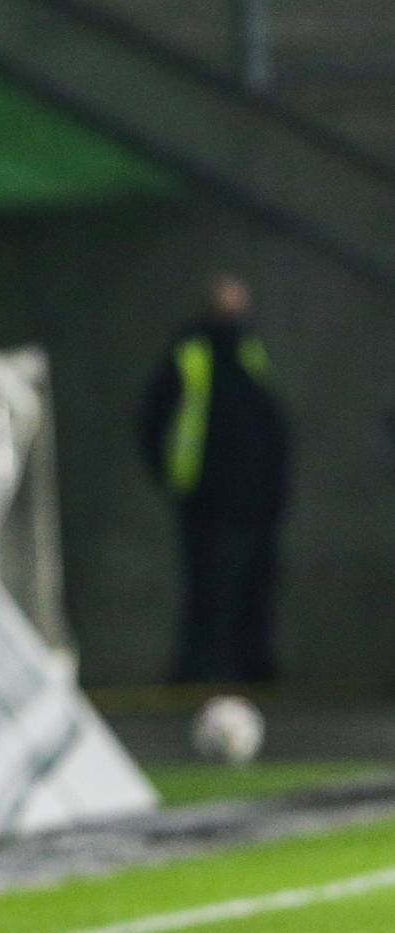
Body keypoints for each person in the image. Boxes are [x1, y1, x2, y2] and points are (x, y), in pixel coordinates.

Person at [139, 273, 289, 683]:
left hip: (257, 501)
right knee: (210, 592)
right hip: (209, 501)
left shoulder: (250, 352)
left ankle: (253, 669)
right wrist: (176, 480)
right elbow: (153, 420)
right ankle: (199, 673)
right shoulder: (190, 354)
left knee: (255, 591)